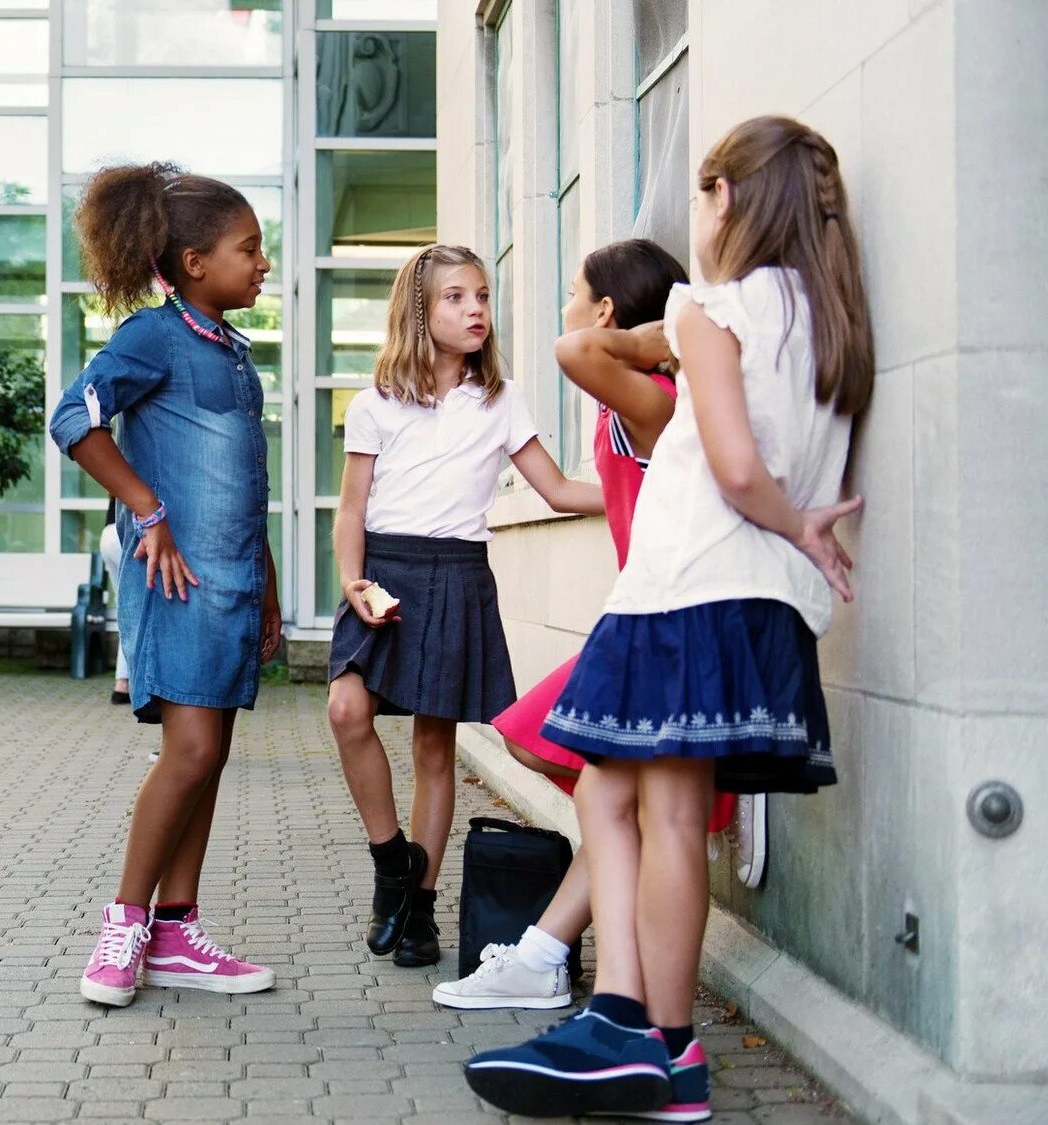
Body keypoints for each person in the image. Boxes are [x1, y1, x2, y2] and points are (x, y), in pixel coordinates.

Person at [465, 115, 874, 1121]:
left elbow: (734, 469)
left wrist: (797, 523)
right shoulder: (828, 326)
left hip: (685, 585)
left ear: (725, 200)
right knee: (646, 806)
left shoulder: (713, 309)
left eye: (702, 197)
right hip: (758, 607)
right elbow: (644, 352)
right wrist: (669, 333)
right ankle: (668, 1055)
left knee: (625, 801)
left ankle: (625, 1026)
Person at [434, 238, 738, 1010]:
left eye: (574, 290)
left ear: (605, 312)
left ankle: (575, 972)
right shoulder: (628, 408)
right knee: (565, 760)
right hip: (639, 619)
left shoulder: (653, 397)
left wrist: (649, 334)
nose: (563, 307)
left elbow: (575, 349)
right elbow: (620, 497)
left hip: (669, 624)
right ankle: (555, 956)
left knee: (592, 777)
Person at [327, 243, 604, 969]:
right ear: (420, 310)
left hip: (456, 574)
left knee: (433, 745)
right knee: (347, 710)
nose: (476, 308)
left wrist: (648, 486)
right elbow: (351, 509)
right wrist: (353, 580)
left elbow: (560, 491)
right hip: (384, 570)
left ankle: (417, 909)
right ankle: (392, 862)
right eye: (455, 297)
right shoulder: (376, 402)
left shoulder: (501, 400)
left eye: (481, 295)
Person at [49, 162, 281, 1007]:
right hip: (177, 584)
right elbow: (74, 417)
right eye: (248, 249)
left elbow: (245, 483)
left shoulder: (232, 350)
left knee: (210, 754)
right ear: (192, 262)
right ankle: (123, 925)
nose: (263, 264)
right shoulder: (154, 337)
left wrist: (268, 587)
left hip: (231, 586)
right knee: (187, 752)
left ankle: (177, 930)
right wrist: (145, 507)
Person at [97, 498, 132, 706]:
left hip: (108, 534)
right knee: (133, 610)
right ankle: (125, 684)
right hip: (123, 533)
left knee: (124, 608)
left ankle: (122, 684)